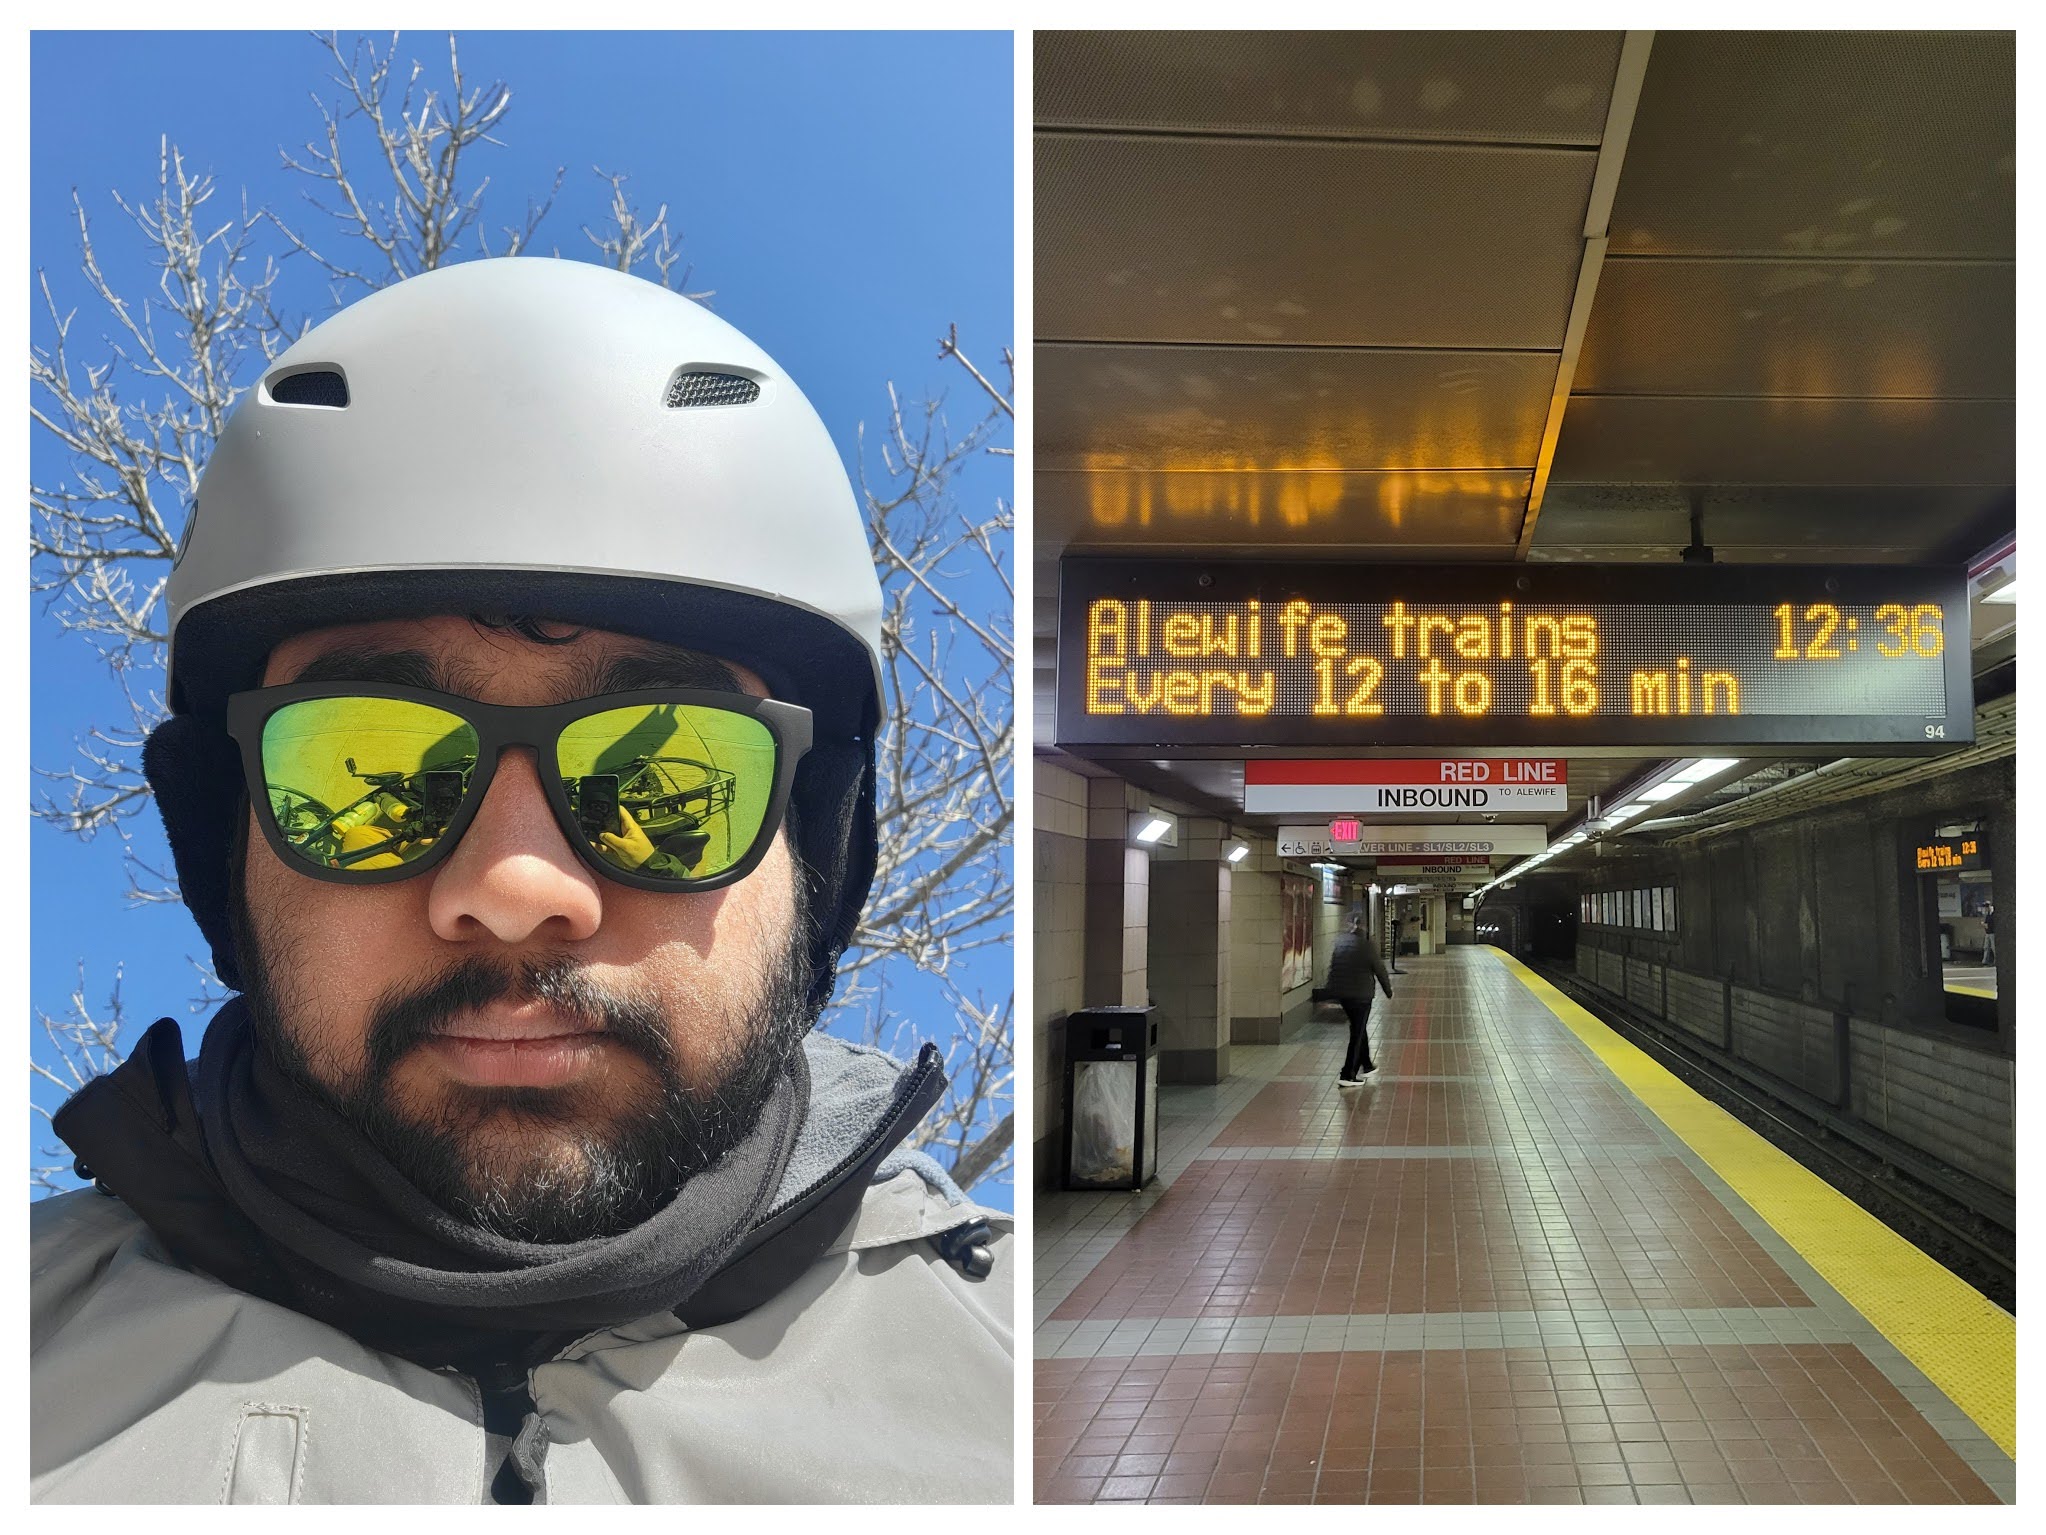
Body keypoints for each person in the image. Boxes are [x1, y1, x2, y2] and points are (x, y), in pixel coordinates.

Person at [29, 259, 1012, 1503]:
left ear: (817, 854)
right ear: (225, 847)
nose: (513, 883)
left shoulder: (1023, 1390)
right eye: (364, 766)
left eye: (668, 780)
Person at [1329, 913, 1394, 1086]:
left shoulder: (1341, 943)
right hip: (1361, 996)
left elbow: (1334, 968)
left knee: (1359, 1027)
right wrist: (1388, 991)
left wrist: (1332, 991)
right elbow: (1379, 969)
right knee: (1357, 1033)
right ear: (1363, 927)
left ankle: (1367, 1065)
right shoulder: (1366, 945)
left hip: (1344, 995)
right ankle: (1348, 1074)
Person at [1981, 900, 1996, 965]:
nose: (1986, 908)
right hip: (1988, 932)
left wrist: (1984, 924)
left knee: (1993, 947)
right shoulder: (1988, 914)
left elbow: (1989, 924)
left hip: (1992, 932)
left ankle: (1996, 960)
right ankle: (1985, 960)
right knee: (1986, 947)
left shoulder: (1993, 914)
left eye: (1987, 906)